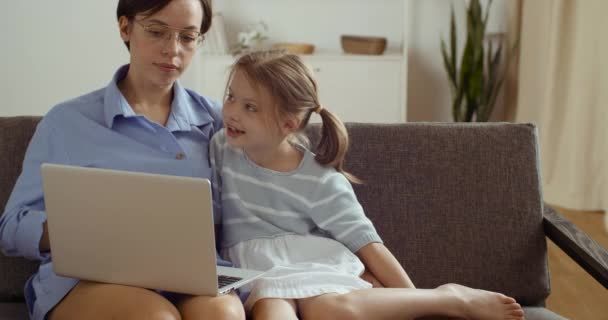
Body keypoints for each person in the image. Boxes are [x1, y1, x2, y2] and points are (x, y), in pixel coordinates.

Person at [209, 50, 526, 320]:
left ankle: (449, 298)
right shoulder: (221, 148)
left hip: (310, 263)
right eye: (231, 97)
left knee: (332, 311)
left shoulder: (319, 179)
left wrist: (412, 298)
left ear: (288, 123)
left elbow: (368, 245)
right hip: (257, 271)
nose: (232, 112)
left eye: (250, 107)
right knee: (273, 312)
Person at [0, 0, 246, 319]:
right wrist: (81, 227)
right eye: (157, 31)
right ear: (125, 27)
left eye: (187, 37)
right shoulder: (67, 121)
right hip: (91, 281)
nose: (173, 49)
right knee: (154, 316)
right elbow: (11, 228)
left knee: (223, 313)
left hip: (190, 278)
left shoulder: (217, 121)